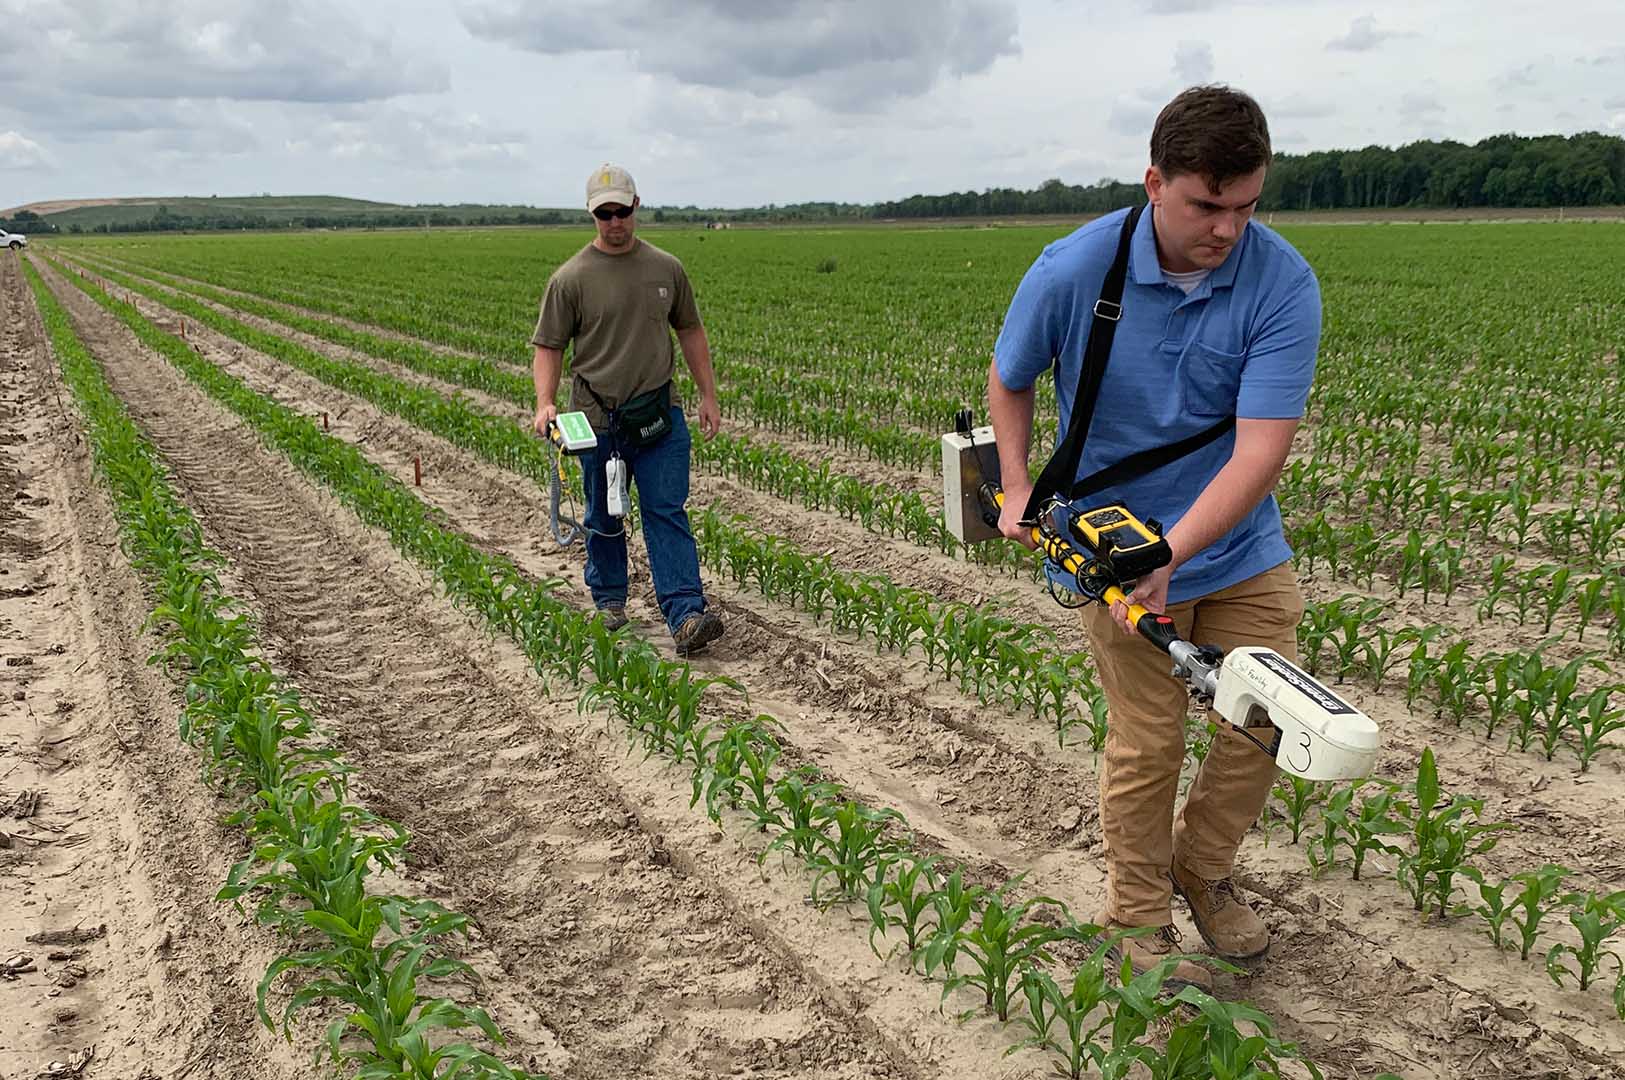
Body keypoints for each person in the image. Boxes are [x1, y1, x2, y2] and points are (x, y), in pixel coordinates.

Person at [988, 86, 1321, 990]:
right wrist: (1018, 485)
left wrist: (1170, 555)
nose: (1227, 229)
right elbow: (1009, 378)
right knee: (1148, 743)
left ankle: (1202, 872)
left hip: (1237, 545)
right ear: (1154, 184)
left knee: (1265, 725)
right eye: (1206, 205)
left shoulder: (1282, 282)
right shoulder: (1071, 270)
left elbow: (1260, 450)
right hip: (1112, 542)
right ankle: (1135, 916)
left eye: (1246, 206)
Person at [530, 163, 725, 656]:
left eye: (621, 211)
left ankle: (686, 615)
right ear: (592, 214)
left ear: (637, 206)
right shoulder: (570, 279)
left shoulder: (666, 269)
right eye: (604, 213)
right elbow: (549, 346)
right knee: (603, 514)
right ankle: (610, 600)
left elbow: (690, 331)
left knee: (666, 512)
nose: (614, 222)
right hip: (597, 423)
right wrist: (545, 403)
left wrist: (708, 395)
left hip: (659, 417)